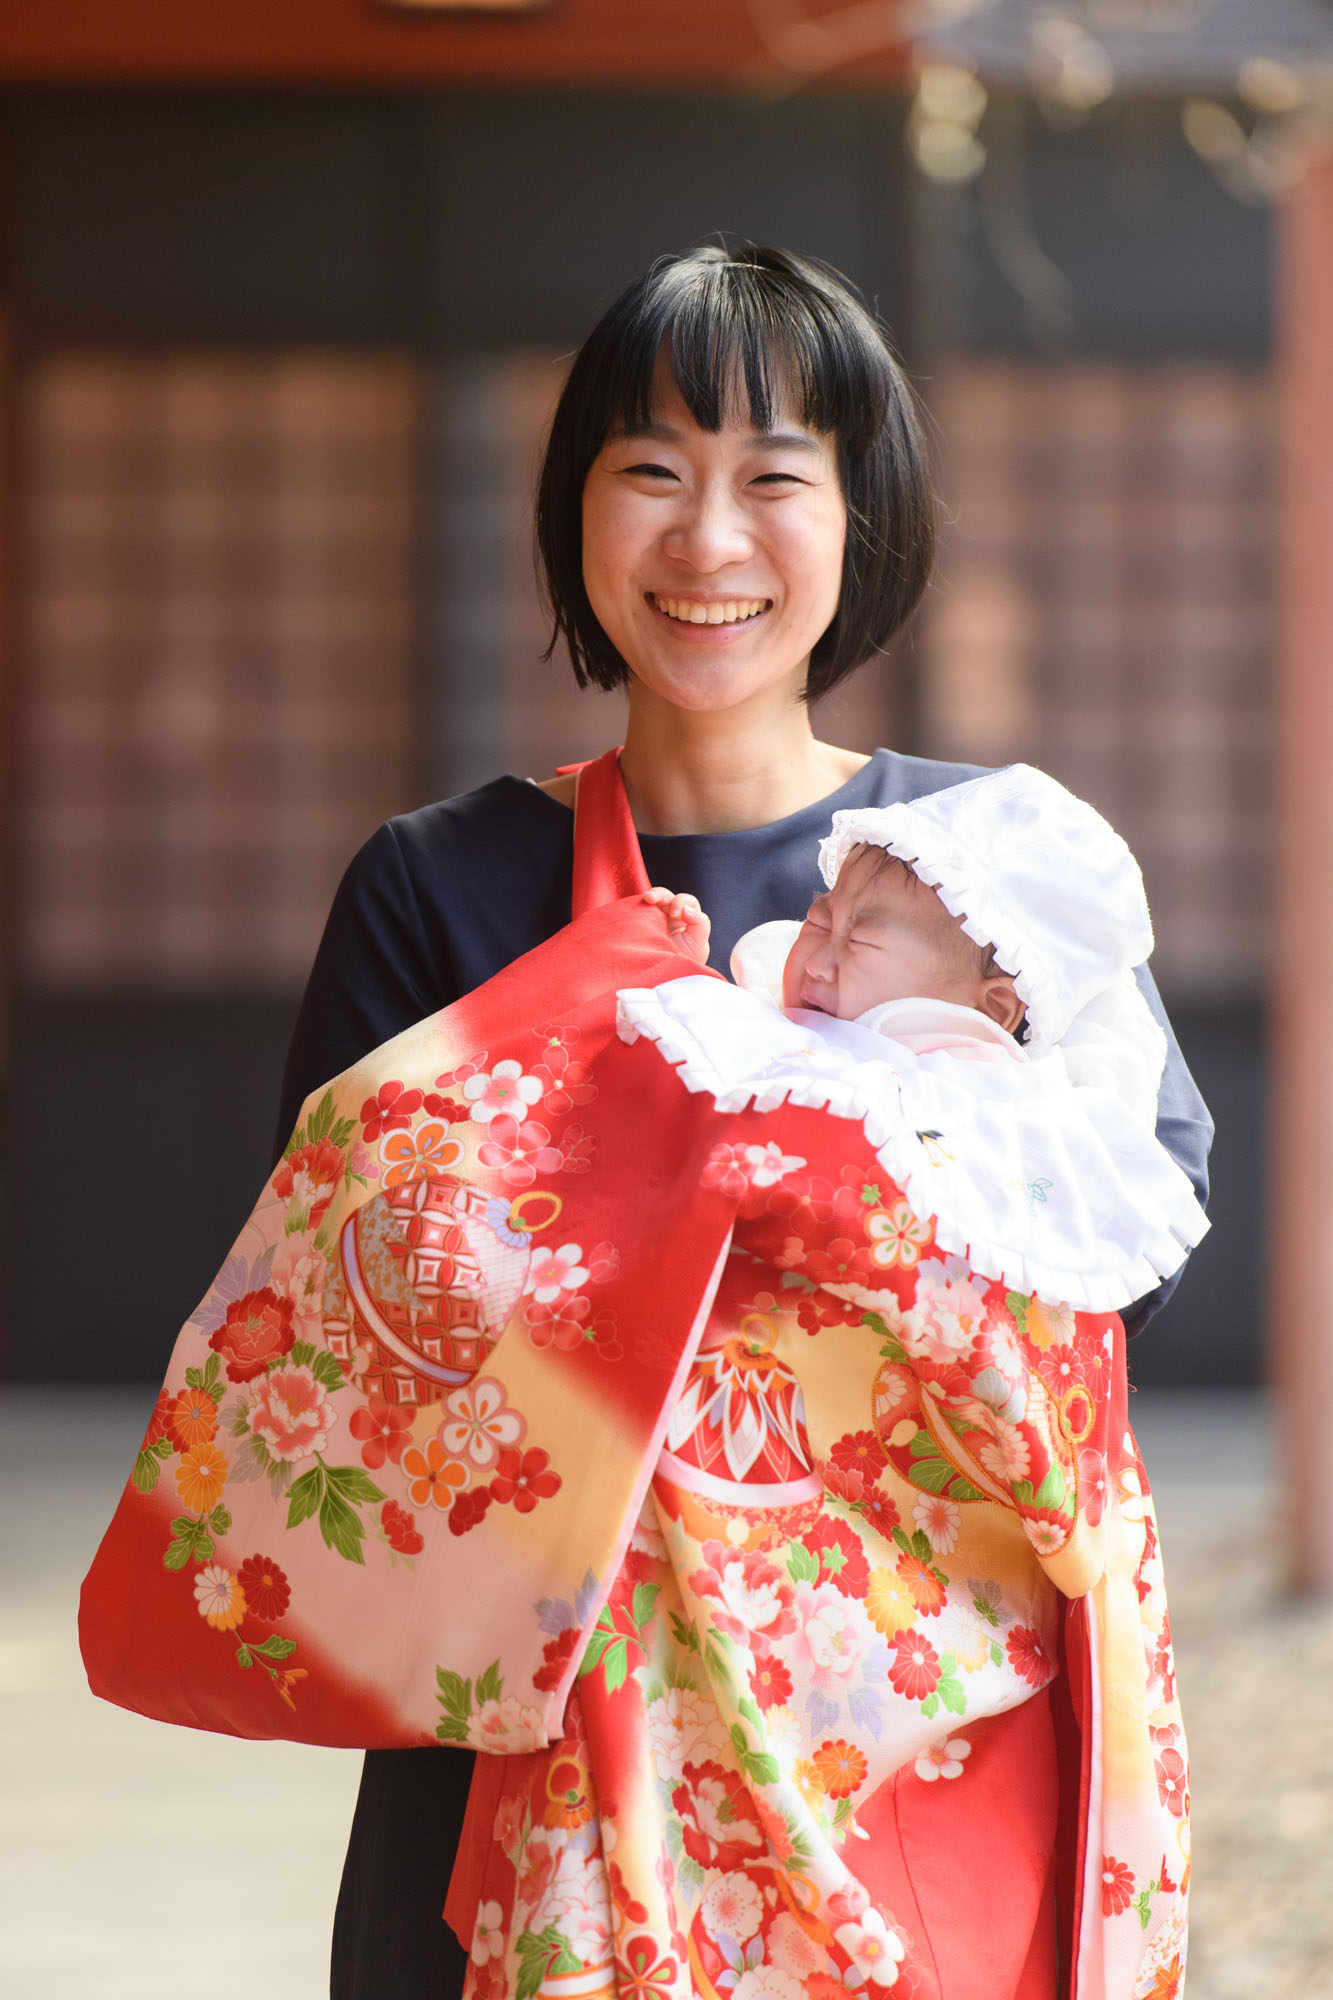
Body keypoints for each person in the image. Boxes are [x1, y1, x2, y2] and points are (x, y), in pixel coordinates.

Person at [272, 245, 1212, 1998]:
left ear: (864, 522)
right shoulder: (438, 882)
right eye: (651, 473)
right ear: (576, 516)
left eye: (774, 479)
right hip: (527, 1740)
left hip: (915, 1743)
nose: (708, 543)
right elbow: (343, 1299)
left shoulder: (992, 870)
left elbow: (1126, 1245)